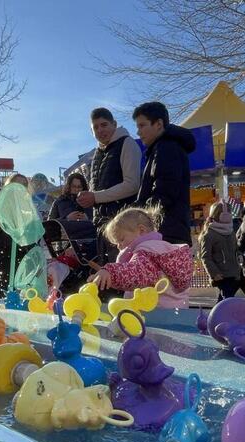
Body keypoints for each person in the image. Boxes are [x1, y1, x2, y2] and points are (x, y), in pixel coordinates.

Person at [88, 207, 192, 308]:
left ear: (141, 230)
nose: (119, 246)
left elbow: (136, 273)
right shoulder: (161, 250)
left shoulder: (147, 251)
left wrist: (110, 271)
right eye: (116, 243)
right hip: (172, 310)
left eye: (121, 239)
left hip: (152, 312)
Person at [77, 107, 142, 261]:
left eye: (104, 125)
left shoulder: (127, 143)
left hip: (124, 227)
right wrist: (87, 199)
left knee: (124, 277)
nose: (100, 130)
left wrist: (95, 197)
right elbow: (95, 192)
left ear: (114, 124)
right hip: (102, 227)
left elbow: (132, 184)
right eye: (95, 127)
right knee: (108, 279)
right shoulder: (97, 154)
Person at [133, 102, 195, 246]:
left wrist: (139, 216)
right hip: (169, 231)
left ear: (158, 124)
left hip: (165, 232)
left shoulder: (166, 148)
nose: (138, 132)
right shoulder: (159, 149)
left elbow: (164, 192)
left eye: (142, 125)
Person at [0, 188, 35, 298]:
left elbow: (27, 263)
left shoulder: (20, 235)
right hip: (3, 293)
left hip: (20, 295)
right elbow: (5, 261)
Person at [199, 201, 242, 301]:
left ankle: (216, 316)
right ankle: (217, 316)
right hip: (222, 275)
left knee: (224, 302)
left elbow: (236, 250)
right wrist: (214, 273)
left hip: (234, 273)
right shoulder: (209, 234)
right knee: (226, 302)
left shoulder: (231, 231)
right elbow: (205, 257)